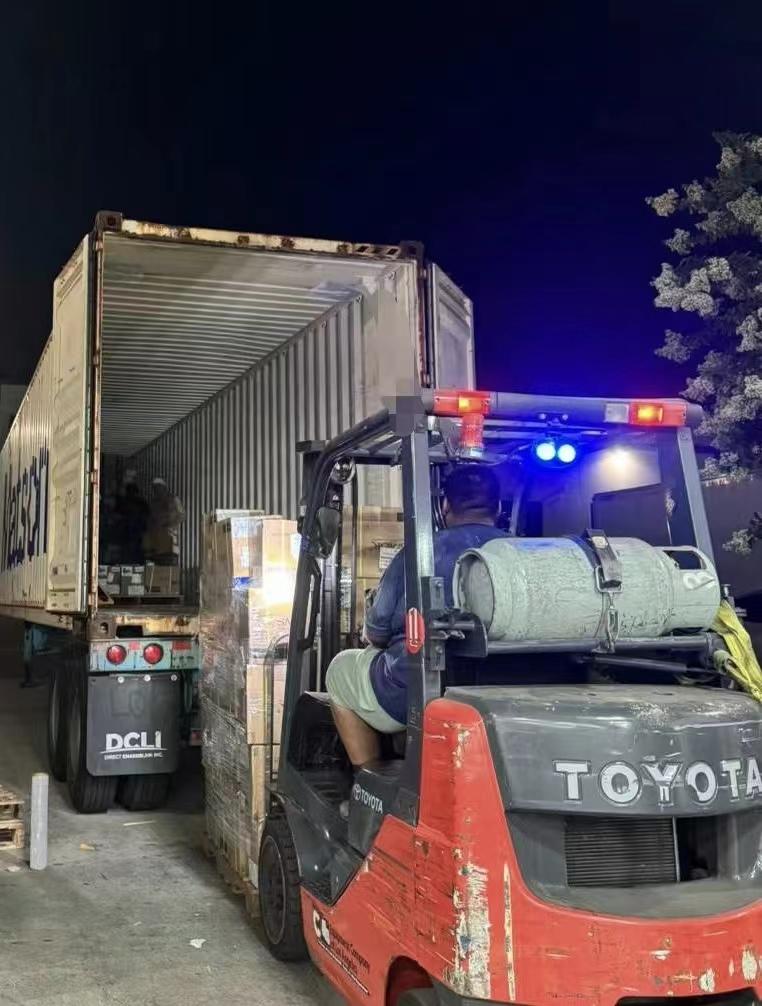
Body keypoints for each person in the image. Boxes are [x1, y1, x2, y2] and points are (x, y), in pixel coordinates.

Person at [326, 464, 508, 771]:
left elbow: (377, 630)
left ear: (444, 506)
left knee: (340, 669)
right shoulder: (518, 552)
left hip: (420, 688)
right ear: (499, 507)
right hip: (502, 685)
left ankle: (367, 778)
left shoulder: (420, 551)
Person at [145, 478, 185, 565]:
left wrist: (171, 524)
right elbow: (149, 519)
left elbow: (181, 515)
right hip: (156, 536)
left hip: (170, 534)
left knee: (170, 558)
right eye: (155, 488)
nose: (157, 490)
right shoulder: (153, 502)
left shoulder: (173, 499)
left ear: (164, 487)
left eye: (158, 487)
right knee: (156, 559)